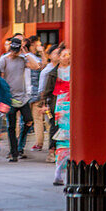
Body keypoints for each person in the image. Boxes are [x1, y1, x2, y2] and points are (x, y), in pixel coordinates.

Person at [0, 35, 41, 161]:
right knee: (11, 126)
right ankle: (14, 152)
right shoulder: (4, 59)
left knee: (28, 121)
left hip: (23, 98)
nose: (14, 53)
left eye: (16, 50)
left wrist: (26, 53)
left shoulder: (22, 59)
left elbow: (36, 66)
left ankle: (20, 144)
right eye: (13, 50)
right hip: (9, 98)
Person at [41, 46, 71, 185]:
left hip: (72, 107)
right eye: (64, 55)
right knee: (62, 139)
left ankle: (66, 172)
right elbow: (47, 92)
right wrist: (45, 105)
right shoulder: (53, 73)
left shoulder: (75, 71)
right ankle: (58, 173)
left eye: (69, 54)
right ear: (59, 57)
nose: (67, 57)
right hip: (60, 108)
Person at [39, 44, 61, 162]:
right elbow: (46, 90)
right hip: (54, 104)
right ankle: (52, 151)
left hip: (67, 103)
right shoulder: (50, 72)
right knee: (54, 126)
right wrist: (44, 104)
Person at [26, 35, 47, 151]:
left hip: (33, 91)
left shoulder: (29, 57)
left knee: (35, 118)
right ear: (34, 43)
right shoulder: (29, 57)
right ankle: (37, 143)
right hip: (32, 90)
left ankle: (38, 143)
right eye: (38, 43)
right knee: (36, 119)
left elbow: (43, 65)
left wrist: (42, 52)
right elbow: (41, 65)